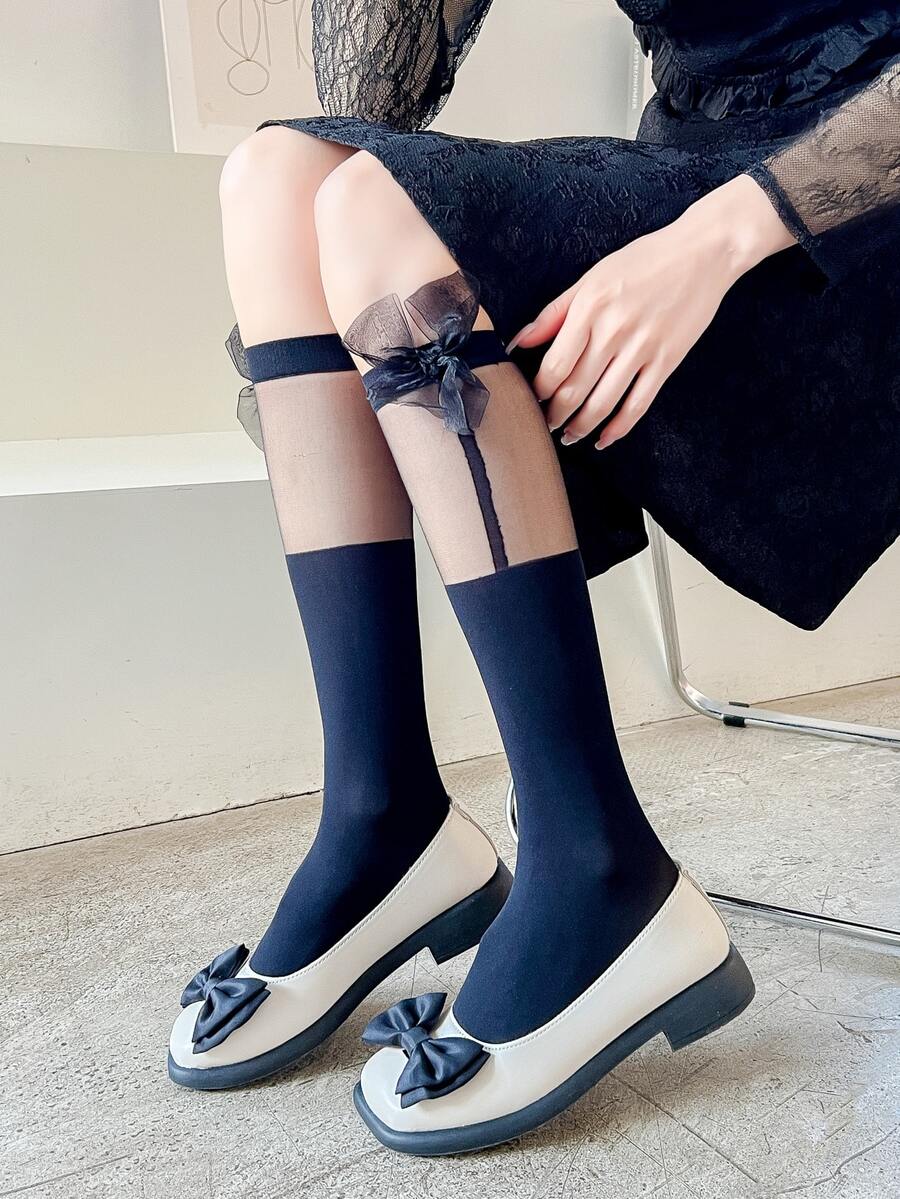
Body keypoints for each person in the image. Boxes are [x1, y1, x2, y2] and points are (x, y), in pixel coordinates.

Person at [168, 0, 899, 1153]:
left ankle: (597, 860)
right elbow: (372, 91)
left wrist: (711, 240)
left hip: (845, 215)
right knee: (280, 179)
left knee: (376, 209)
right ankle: (382, 810)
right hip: (696, 168)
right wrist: (311, 284)